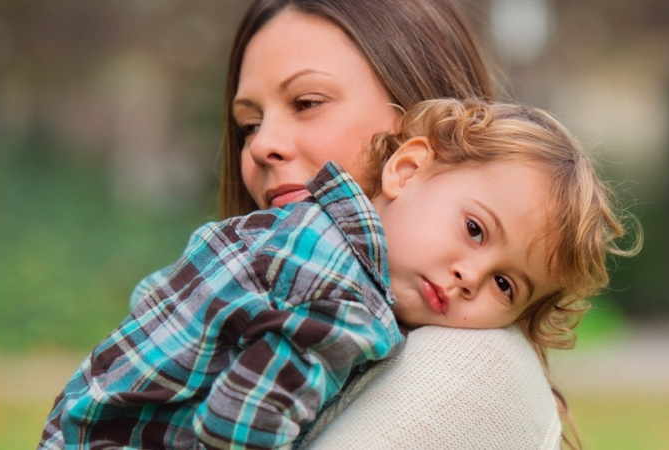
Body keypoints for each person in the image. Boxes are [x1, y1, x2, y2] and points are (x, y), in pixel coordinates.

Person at [66, 0, 603, 448]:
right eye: (248, 125)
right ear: (408, 167)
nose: (262, 145)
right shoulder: (325, 283)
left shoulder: (470, 368)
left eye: (307, 102)